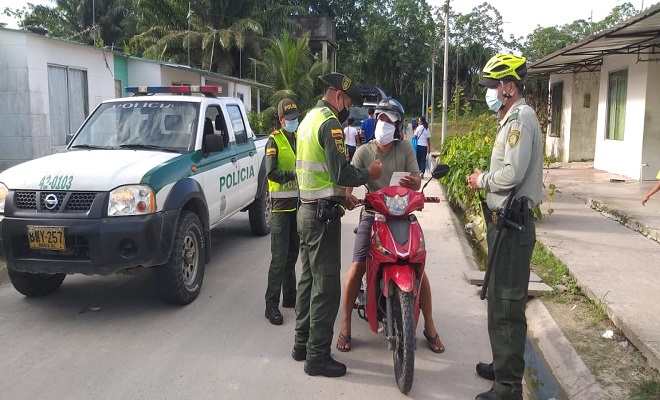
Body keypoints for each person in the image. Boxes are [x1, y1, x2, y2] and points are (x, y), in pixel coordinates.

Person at [336, 97, 445, 355]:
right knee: (356, 266)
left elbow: (417, 181)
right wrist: (346, 195)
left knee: (418, 267)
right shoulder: (364, 152)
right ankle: (346, 322)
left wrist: (413, 184)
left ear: (397, 126)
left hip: (402, 215)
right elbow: (350, 178)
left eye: (389, 120)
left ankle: (429, 325)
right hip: (372, 214)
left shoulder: (405, 149)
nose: (383, 124)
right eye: (380, 118)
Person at [293, 72, 383, 378]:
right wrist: (367, 174)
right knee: (327, 287)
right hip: (321, 220)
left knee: (307, 279)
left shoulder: (307, 119)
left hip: (306, 209)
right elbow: (340, 172)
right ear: (337, 97)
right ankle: (317, 357)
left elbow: (317, 172)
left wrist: (340, 198)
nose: (348, 109)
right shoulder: (329, 123)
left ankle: (301, 343)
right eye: (347, 102)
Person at [467, 53, 543, 400]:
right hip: (503, 226)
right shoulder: (510, 119)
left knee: (508, 308)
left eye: (494, 86)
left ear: (509, 86)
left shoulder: (521, 119)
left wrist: (481, 179)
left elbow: (511, 174)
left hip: (513, 228)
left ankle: (508, 389)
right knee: (497, 302)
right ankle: (502, 368)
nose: (491, 93)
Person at [264, 98, 301, 326]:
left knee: (292, 255)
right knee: (278, 259)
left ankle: (290, 297)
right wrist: (292, 175)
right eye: (290, 119)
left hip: (296, 207)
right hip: (279, 208)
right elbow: (271, 173)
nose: (293, 122)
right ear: (280, 120)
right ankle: (271, 305)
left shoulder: (298, 139)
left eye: (296, 118)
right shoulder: (273, 141)